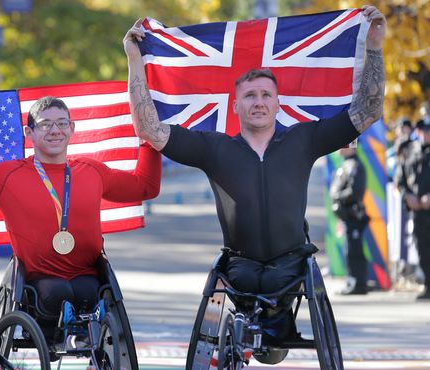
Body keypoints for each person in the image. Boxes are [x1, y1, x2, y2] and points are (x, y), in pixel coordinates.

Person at [124, 6, 385, 345]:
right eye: (249, 95)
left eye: (266, 95)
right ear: (235, 105)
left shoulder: (303, 140)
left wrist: (375, 47)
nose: (258, 102)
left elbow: (368, 110)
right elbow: (149, 128)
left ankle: (278, 325)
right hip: (239, 268)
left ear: (278, 103)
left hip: (291, 265)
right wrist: (134, 58)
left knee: (279, 284)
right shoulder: (214, 149)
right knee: (245, 277)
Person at [0, 96, 161, 322]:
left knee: (86, 291)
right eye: (45, 124)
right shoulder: (5, 176)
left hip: (89, 276)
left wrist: (150, 137)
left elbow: (144, 188)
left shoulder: (92, 171)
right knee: (58, 293)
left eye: (62, 123)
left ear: (72, 129)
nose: (55, 130)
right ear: (29, 133)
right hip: (39, 283)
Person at [396, 117, 430, 300]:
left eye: (428, 130)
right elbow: (400, 180)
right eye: (423, 130)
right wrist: (407, 196)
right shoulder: (410, 151)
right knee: (423, 249)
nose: (425, 133)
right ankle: (428, 285)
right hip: (418, 212)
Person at [330, 145, 370, 294]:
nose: (340, 149)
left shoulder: (355, 165)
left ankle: (359, 284)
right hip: (347, 216)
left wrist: (337, 197)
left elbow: (355, 191)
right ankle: (352, 281)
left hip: (353, 215)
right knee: (350, 250)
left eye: (344, 146)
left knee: (355, 250)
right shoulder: (346, 164)